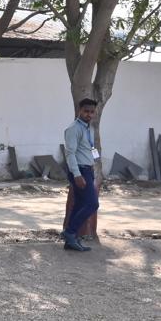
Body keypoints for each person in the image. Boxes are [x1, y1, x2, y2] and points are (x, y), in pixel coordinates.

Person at [63, 99, 101, 252]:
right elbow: (70, 153)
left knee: (79, 204)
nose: (89, 115)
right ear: (79, 110)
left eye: (92, 112)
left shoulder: (87, 128)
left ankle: (71, 241)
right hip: (80, 170)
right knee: (92, 204)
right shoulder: (73, 129)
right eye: (86, 111)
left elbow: (89, 149)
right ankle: (70, 232)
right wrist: (77, 175)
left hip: (88, 170)